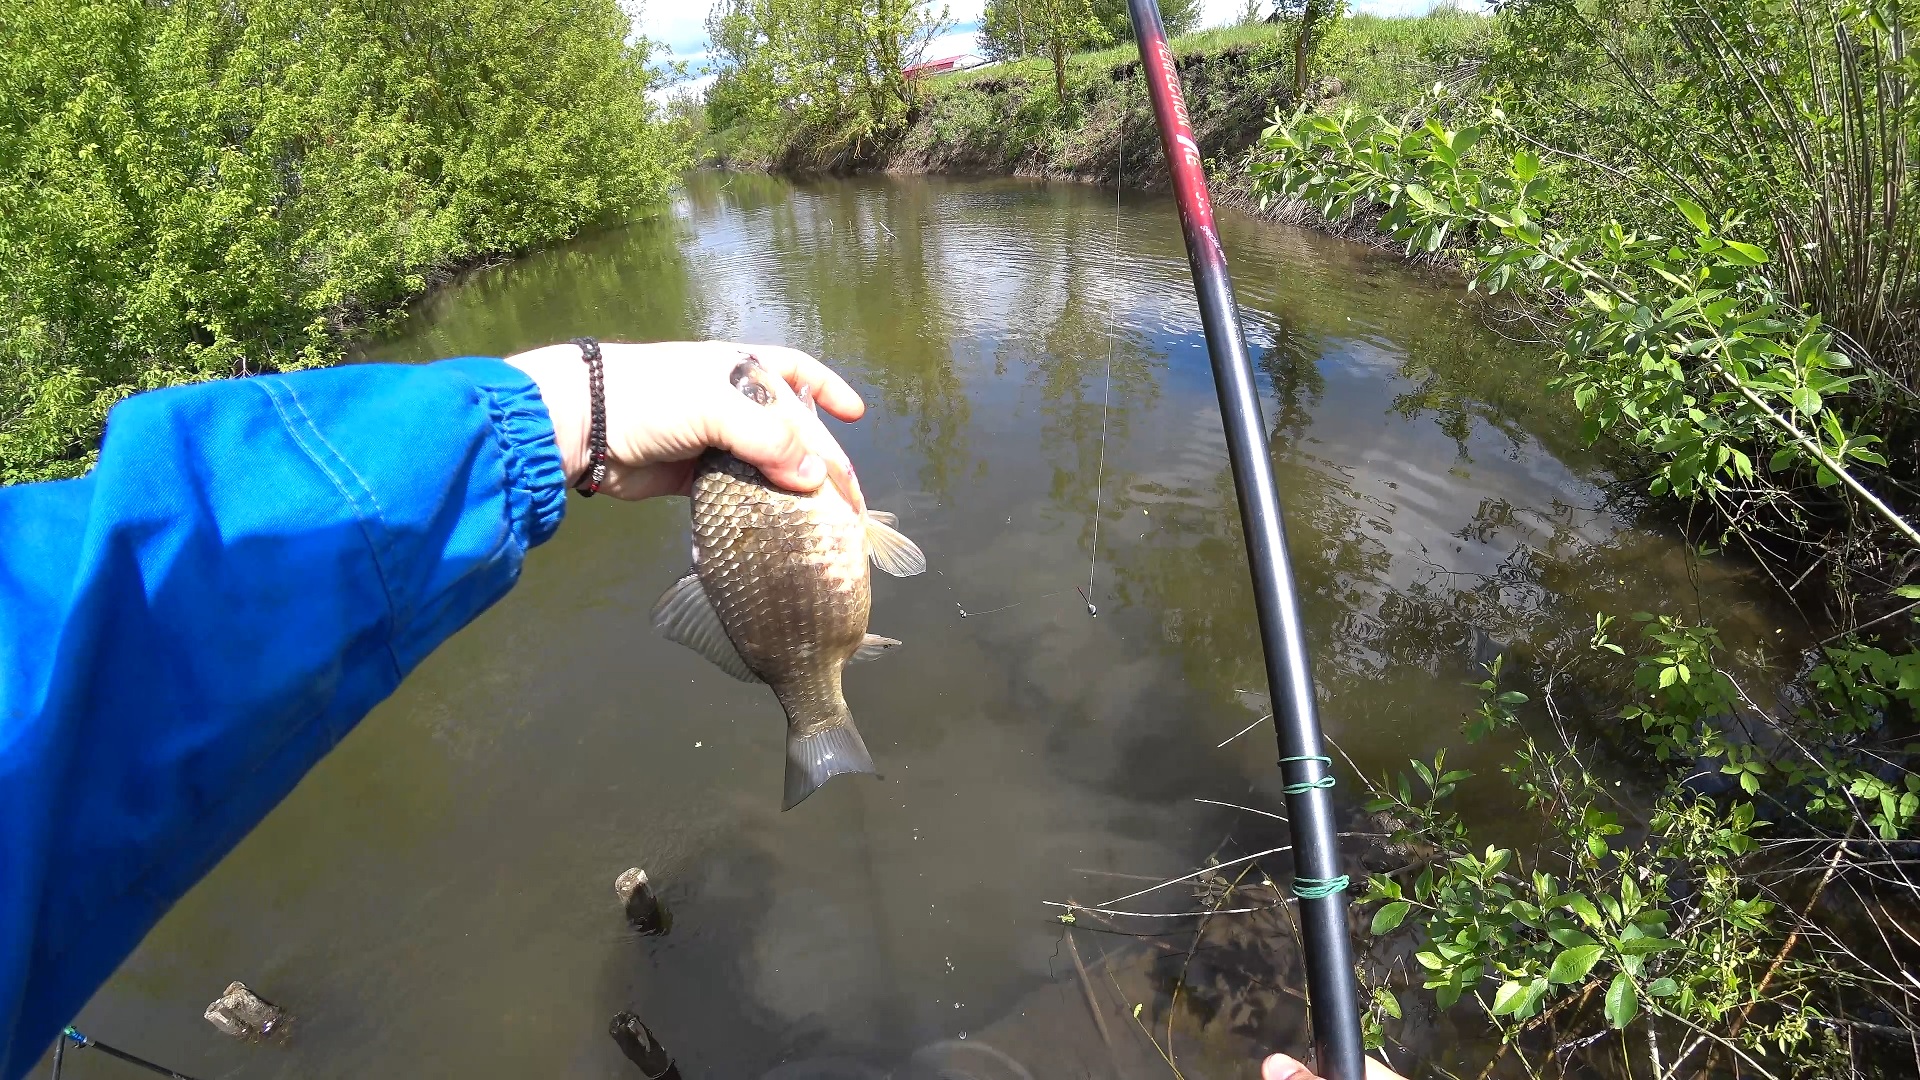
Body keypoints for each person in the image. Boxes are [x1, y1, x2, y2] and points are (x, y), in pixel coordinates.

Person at [0, 339, 1408, 1080]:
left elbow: (97, 634)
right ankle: (819, 723)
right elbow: (111, 621)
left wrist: (583, 407)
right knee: (819, 683)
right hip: (787, 619)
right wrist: (577, 405)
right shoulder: (798, 498)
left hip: (772, 610)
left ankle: (816, 722)